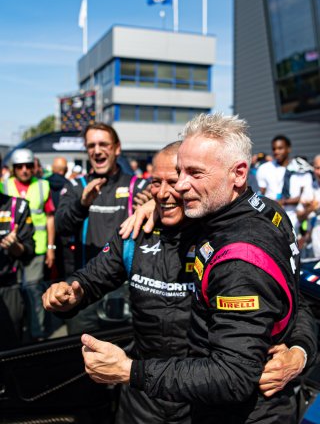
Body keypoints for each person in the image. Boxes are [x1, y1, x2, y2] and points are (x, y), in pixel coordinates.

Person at [43, 139, 314, 423]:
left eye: (172, 181)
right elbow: (91, 279)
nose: (163, 193)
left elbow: (295, 303)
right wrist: (69, 292)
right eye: (155, 183)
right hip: (142, 398)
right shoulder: (137, 231)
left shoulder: (222, 237)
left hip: (202, 400)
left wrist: (299, 353)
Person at [54, 122, 149, 332]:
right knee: (82, 359)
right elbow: (61, 228)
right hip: (84, 289)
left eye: (103, 144)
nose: (96, 151)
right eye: (91, 146)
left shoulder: (140, 186)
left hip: (127, 291)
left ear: (117, 148)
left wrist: (153, 208)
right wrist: (81, 205)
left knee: (123, 359)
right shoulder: (75, 186)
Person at [0, 148, 55, 339]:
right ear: (13, 169)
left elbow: (50, 218)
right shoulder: (4, 186)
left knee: (33, 293)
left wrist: (50, 248)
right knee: (13, 295)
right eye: (20, 166)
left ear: (34, 166)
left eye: (29, 166)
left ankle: (36, 334)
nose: (24, 170)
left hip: (36, 248)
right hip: (7, 251)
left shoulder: (42, 186)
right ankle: (17, 330)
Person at [0, 158, 35, 350]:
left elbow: (28, 251)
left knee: (11, 345)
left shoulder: (16, 206)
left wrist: (14, 246)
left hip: (8, 286)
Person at [256, 135, 313, 233]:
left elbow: (304, 198)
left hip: (295, 216)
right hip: (273, 215)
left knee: (295, 244)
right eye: (274, 149)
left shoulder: (301, 169)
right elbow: (260, 195)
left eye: (280, 148)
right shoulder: (264, 168)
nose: (276, 152)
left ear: (288, 149)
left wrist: (283, 202)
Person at [297, 154, 320, 257]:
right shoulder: (309, 189)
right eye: (317, 168)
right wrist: (310, 209)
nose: (319, 172)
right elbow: (299, 217)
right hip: (315, 244)